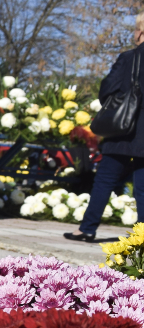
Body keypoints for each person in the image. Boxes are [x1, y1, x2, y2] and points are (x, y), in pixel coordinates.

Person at [66, 15, 144, 243]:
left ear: (139, 32)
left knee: (105, 180)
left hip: (122, 131)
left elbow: (107, 91)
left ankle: (87, 229)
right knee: (143, 189)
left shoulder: (129, 58)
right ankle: (142, 239)